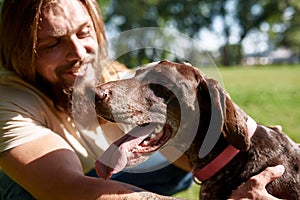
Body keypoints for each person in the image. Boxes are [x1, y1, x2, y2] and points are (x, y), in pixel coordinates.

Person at [0, 0, 285, 199]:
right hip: (61, 189)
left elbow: (193, 125)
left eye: (84, 32)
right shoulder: (7, 100)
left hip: (118, 174)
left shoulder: (105, 72)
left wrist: (270, 149)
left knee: (184, 145)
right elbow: (66, 190)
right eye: (53, 43)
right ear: (21, 51)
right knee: (28, 191)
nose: (79, 52)